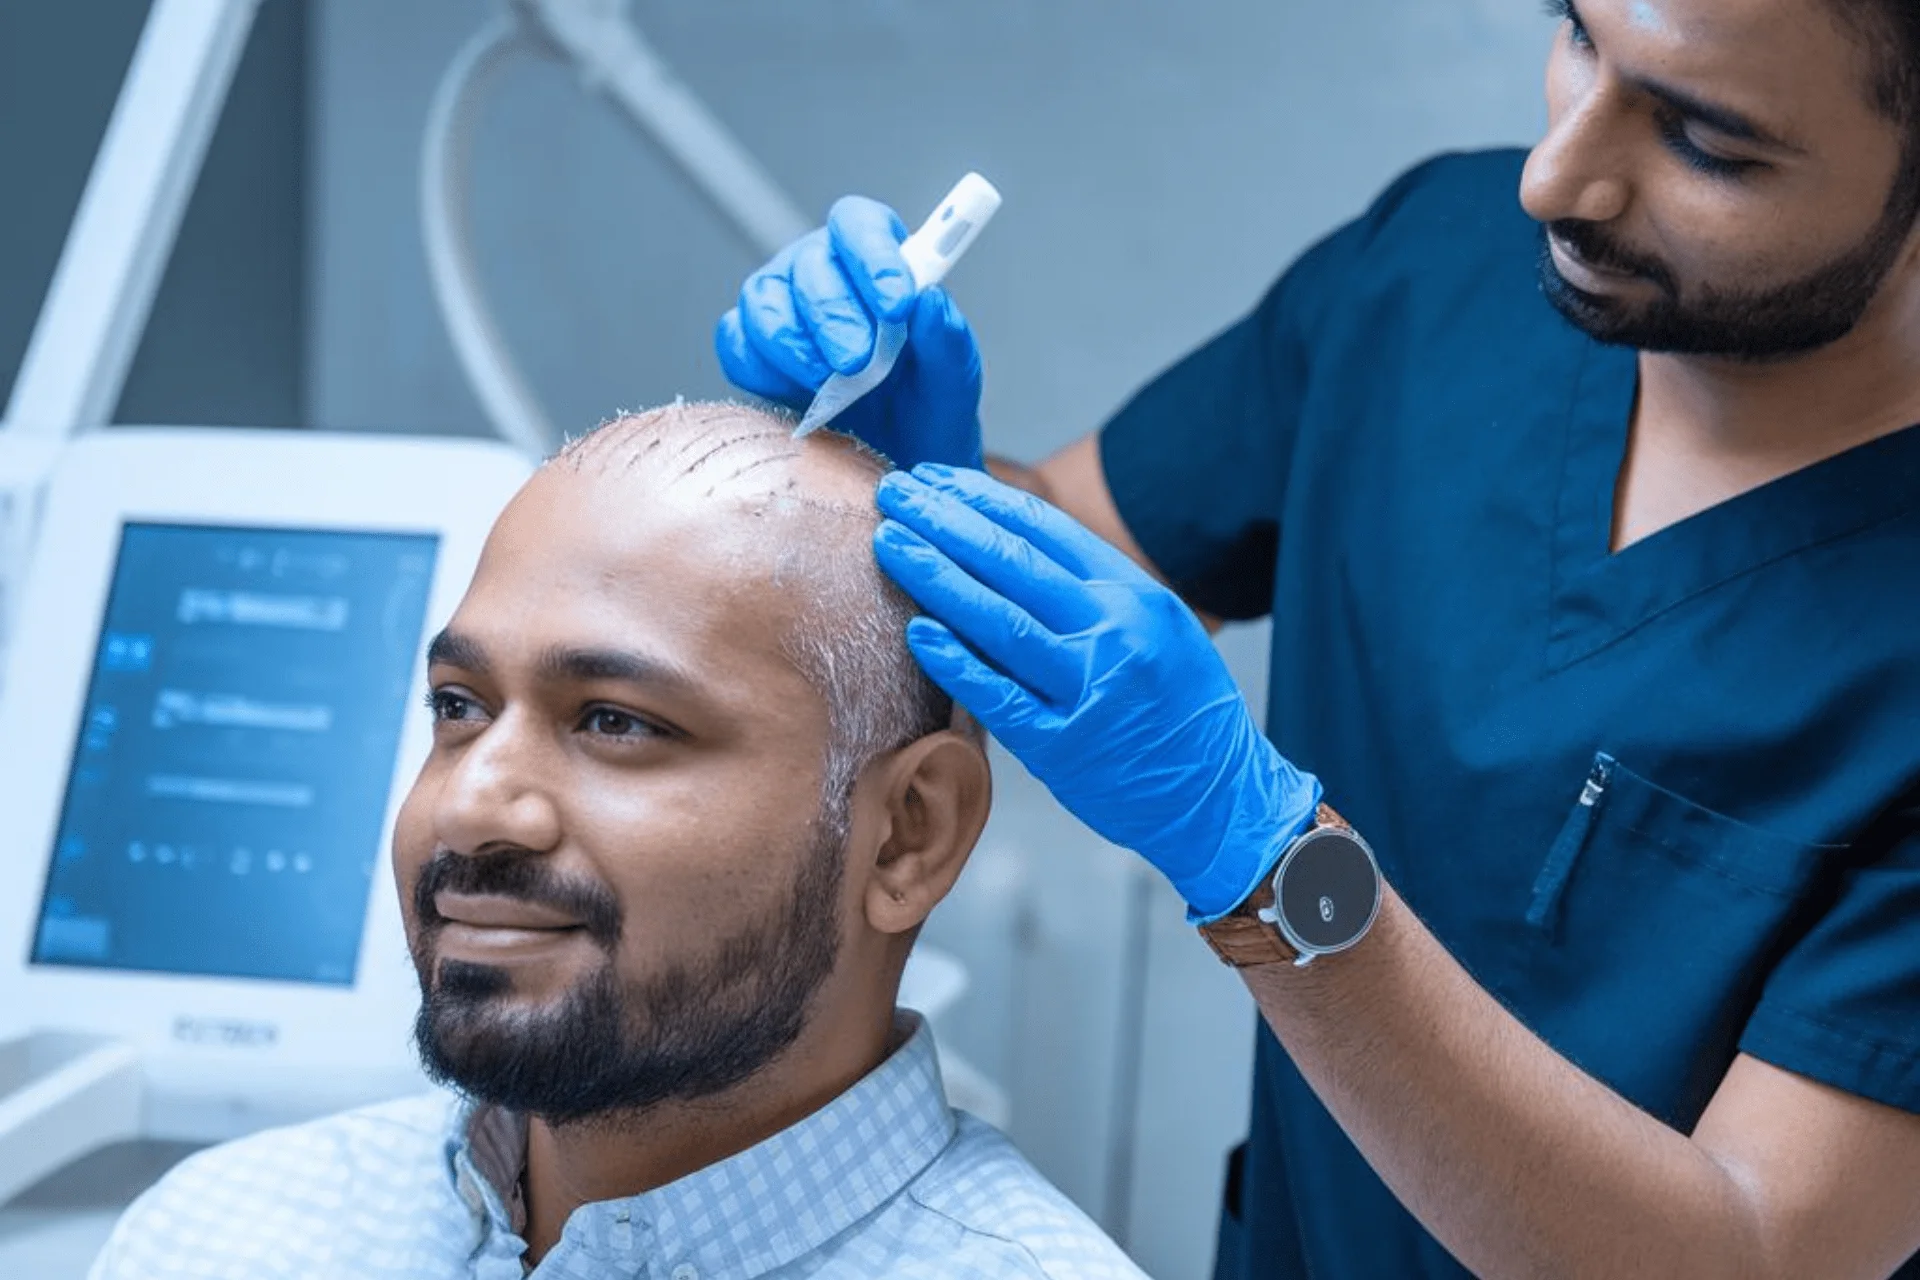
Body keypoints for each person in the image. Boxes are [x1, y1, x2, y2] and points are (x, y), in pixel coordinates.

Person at [715, 0, 1920, 1276]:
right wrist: (913, 474)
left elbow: (1755, 1251)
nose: (1555, 179)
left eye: (1707, 142)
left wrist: (1268, 867)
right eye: (1578, 34)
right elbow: (1076, 556)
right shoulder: (1432, 271)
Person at [88, 403, 1147, 1280]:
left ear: (908, 834)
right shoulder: (218, 1235)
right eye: (459, 706)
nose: (472, 807)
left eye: (615, 721)